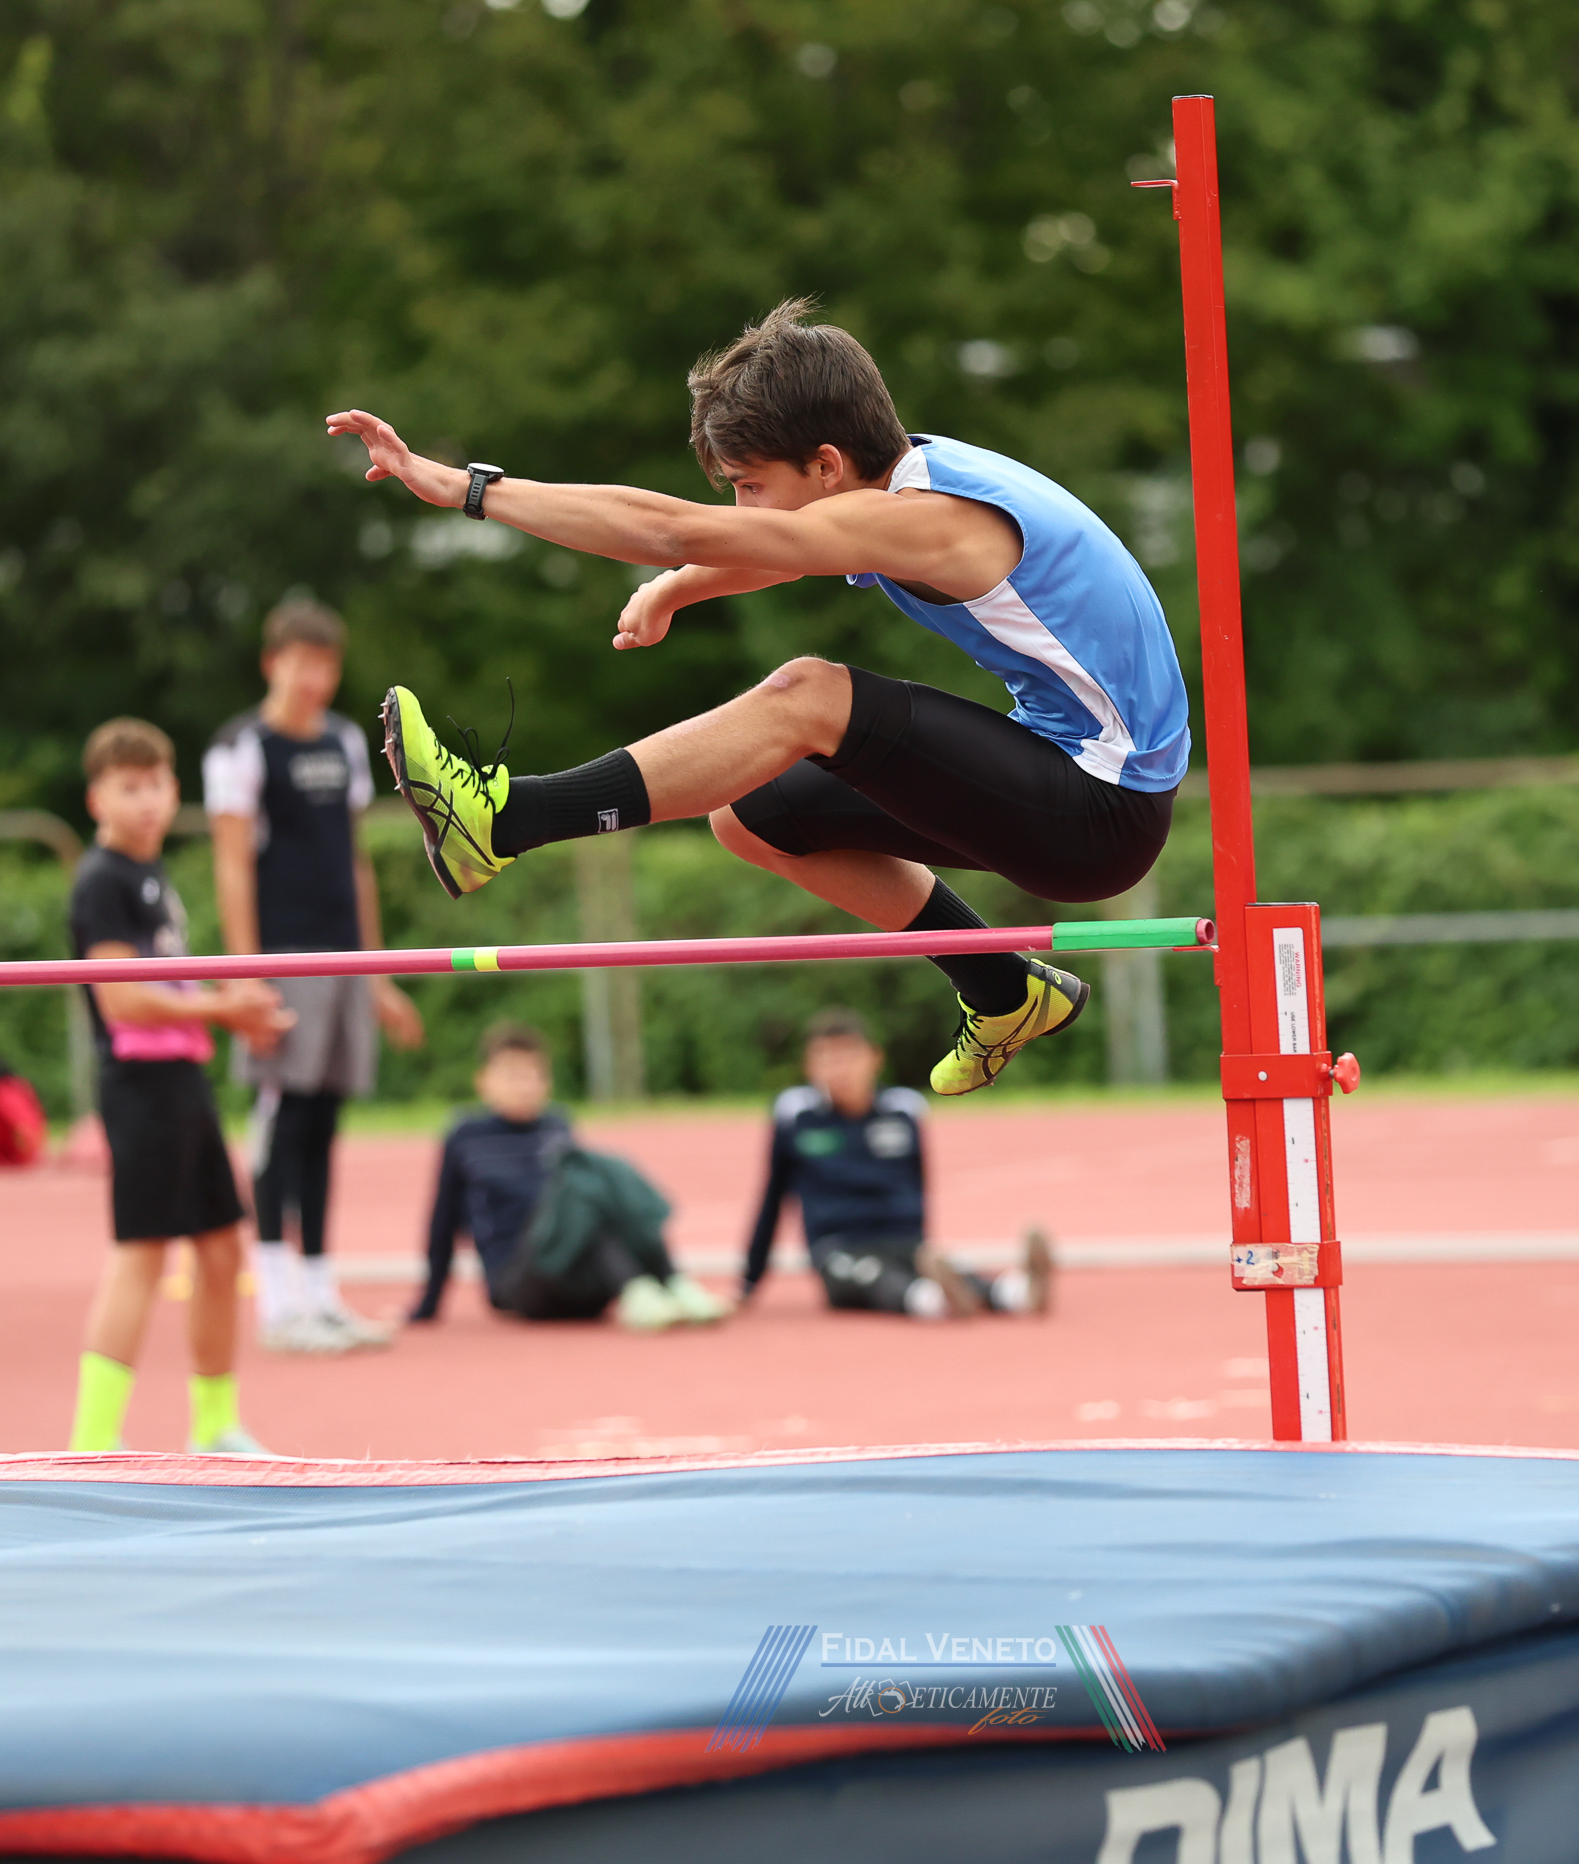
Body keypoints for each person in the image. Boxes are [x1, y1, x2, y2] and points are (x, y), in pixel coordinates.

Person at [327, 298, 1188, 1097]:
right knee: (754, 817)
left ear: (826, 465)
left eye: (747, 487)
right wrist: (680, 587)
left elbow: (676, 528)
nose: (741, 509)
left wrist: (469, 489)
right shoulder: (908, 477)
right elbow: (782, 549)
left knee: (811, 695)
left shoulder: (931, 520)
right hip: (1065, 770)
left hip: (1100, 810)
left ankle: (506, 820)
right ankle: (1005, 989)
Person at [65, 718, 295, 1456]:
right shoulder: (102, 881)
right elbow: (122, 1000)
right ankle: (92, 1440)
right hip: (140, 1085)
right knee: (142, 1253)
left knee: (223, 1251)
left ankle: (214, 1426)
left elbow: (166, 982)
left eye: (157, 785)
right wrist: (223, 1010)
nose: (147, 801)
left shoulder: (154, 876)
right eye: (129, 788)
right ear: (97, 799)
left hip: (182, 1080)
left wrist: (233, 1010)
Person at [204, 596, 425, 1355]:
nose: (316, 681)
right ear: (274, 663)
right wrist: (247, 975)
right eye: (303, 664)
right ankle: (276, 1299)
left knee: (326, 1123)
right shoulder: (243, 747)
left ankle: (321, 1292)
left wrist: (378, 971)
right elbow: (232, 864)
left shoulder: (344, 740)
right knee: (284, 1118)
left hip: (344, 956)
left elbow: (354, 861)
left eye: (328, 667)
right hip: (282, 958)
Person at [408, 1021, 725, 1331]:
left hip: (575, 1280)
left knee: (601, 1179)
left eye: (534, 1075)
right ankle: (646, 1287)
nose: (525, 1086)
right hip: (519, 1283)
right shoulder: (466, 1136)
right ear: (483, 1081)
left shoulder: (557, 1125)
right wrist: (429, 1303)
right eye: (513, 1076)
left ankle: (669, 1283)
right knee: (584, 1180)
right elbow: (443, 1221)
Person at [740, 1008, 1053, 1319]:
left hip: (901, 1237)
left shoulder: (903, 1109)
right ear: (809, 1066)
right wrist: (749, 1283)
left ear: (874, 1058)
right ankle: (932, 1301)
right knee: (867, 1276)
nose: (838, 1069)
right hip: (837, 1245)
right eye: (826, 1058)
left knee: (950, 1268)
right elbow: (772, 1199)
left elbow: (919, 1183)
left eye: (848, 1056)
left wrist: (922, 1245)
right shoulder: (796, 1116)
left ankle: (1015, 1293)